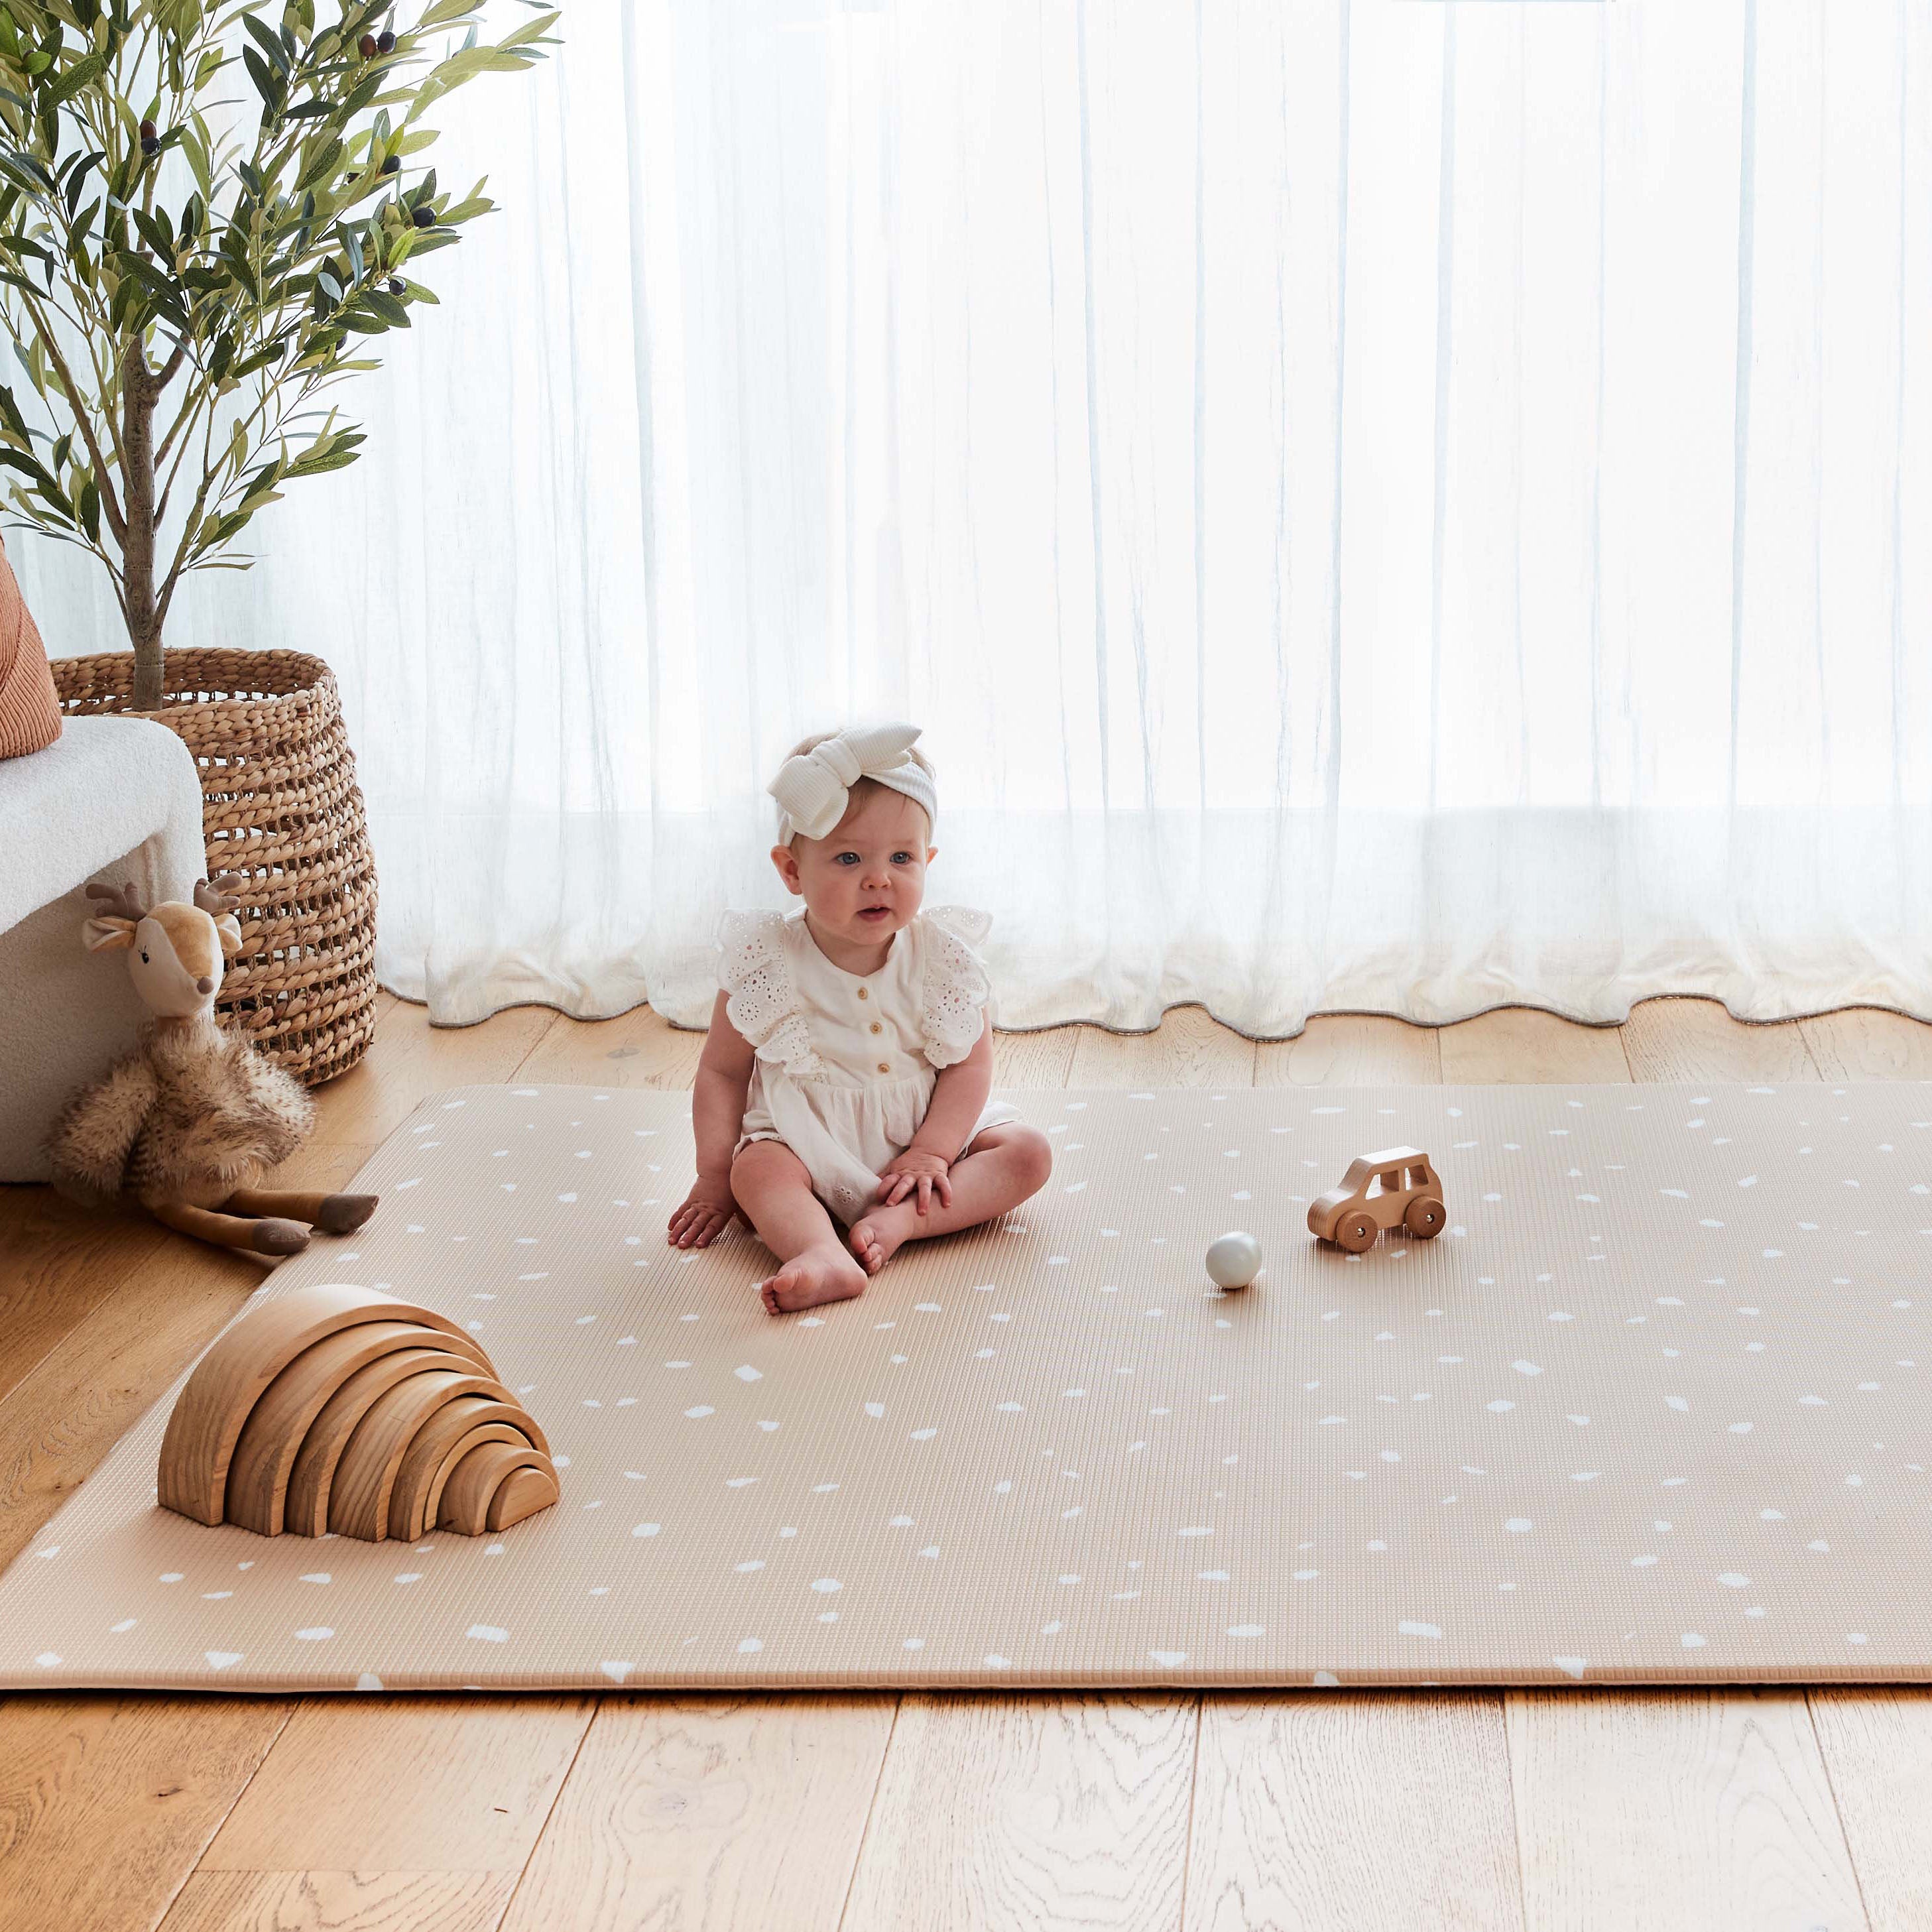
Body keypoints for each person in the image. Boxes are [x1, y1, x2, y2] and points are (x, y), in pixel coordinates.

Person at [667, 723, 1052, 1314]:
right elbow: (721, 1073)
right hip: (807, 1137)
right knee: (759, 1172)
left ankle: (900, 1224)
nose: (879, 878)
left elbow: (970, 1065)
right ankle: (821, 1251)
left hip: (925, 1139)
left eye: (902, 858)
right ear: (792, 871)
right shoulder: (765, 959)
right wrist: (714, 1174)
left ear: (928, 861)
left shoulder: (941, 955)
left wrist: (933, 1149)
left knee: (1027, 1152)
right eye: (849, 858)